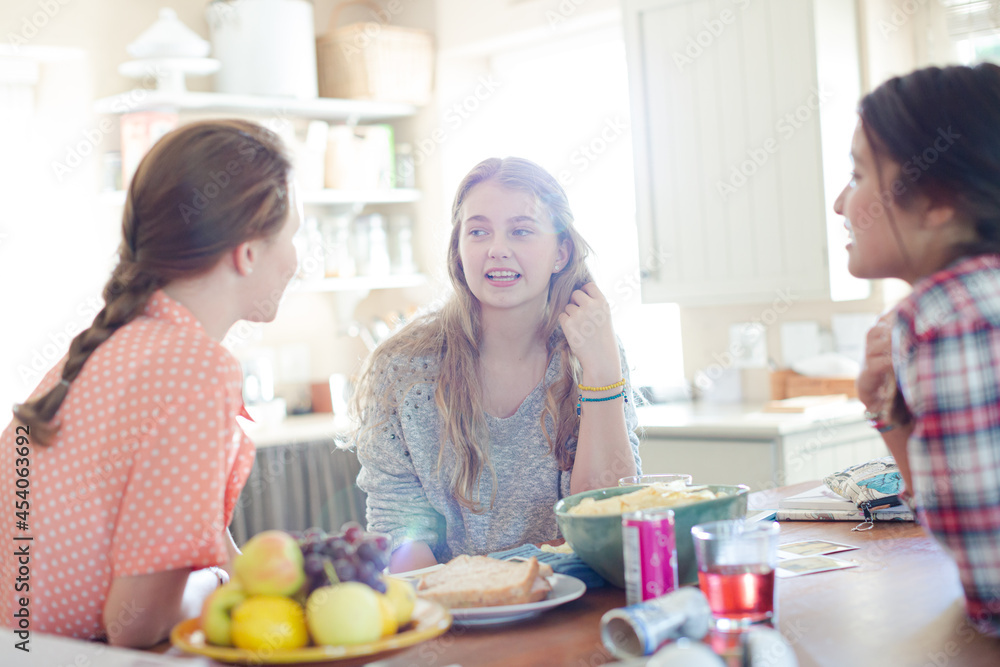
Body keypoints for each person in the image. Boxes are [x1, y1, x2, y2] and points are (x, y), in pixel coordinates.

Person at [0, 119, 300, 646]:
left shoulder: (111, 348)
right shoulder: (197, 370)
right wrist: (220, 585)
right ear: (248, 252)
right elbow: (134, 625)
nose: (297, 261)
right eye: (293, 236)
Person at [350, 157, 641, 572]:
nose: (497, 249)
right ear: (459, 249)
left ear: (561, 252)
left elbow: (609, 517)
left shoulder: (593, 354)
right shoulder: (403, 369)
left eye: (521, 231)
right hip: (455, 614)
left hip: (577, 603)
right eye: (478, 231)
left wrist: (603, 374)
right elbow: (399, 528)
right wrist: (464, 602)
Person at [837, 64, 1000, 635]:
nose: (840, 204)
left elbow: (991, 578)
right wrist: (889, 411)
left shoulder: (949, 315)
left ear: (936, 200)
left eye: (857, 175)